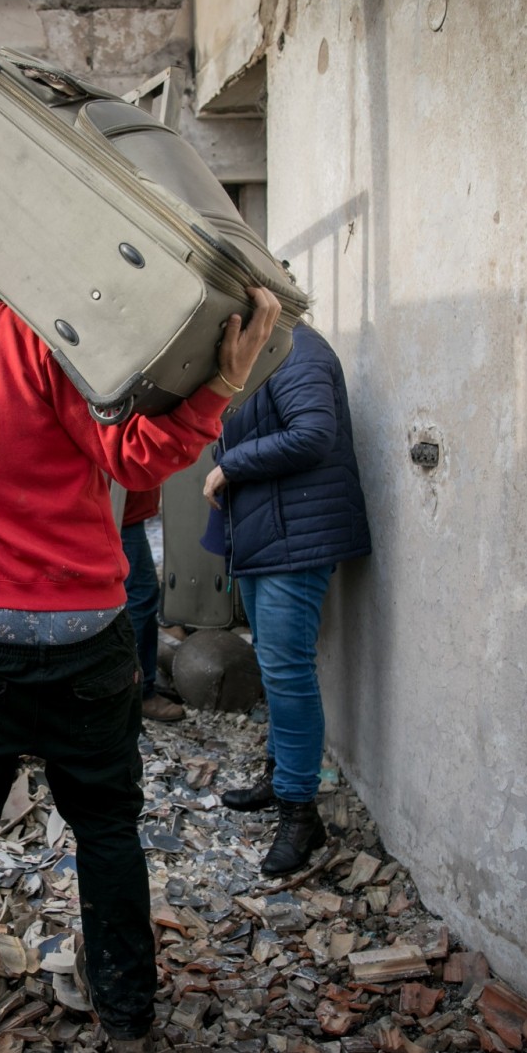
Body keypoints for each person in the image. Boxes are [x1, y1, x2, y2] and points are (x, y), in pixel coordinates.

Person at [0, 189, 280, 1053]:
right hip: (88, 644)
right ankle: (128, 1017)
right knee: (107, 830)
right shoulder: (46, 350)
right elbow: (140, 456)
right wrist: (223, 384)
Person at [202, 322, 371, 876]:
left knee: (287, 670)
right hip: (267, 531)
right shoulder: (267, 350)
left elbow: (313, 433)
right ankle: (281, 781)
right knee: (277, 667)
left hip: (296, 537)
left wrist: (231, 465)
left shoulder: (299, 349)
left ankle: (302, 815)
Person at [120, 487, 185, 721]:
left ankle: (137, 683)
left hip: (123, 508)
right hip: (117, 509)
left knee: (136, 597)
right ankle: (139, 692)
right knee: (140, 597)